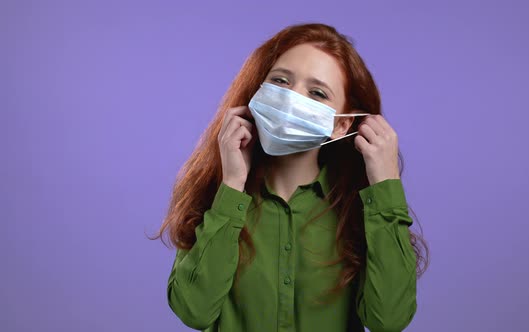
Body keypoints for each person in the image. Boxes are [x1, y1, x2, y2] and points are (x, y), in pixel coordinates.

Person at [152, 23, 429, 332]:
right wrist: (231, 185)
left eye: (317, 93)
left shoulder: (357, 213)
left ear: (341, 125)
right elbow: (193, 310)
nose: (291, 98)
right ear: (258, 92)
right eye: (280, 81)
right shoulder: (218, 201)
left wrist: (385, 185)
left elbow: (388, 320)